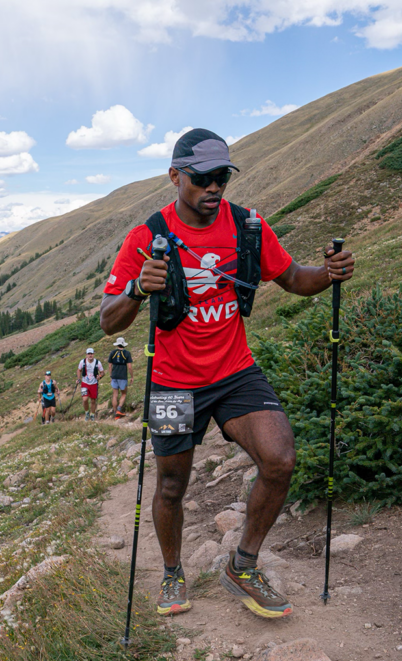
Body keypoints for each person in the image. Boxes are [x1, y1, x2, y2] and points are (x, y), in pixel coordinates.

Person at [99, 128, 355, 619]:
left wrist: (331, 273)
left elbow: (296, 279)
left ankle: (243, 565)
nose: (215, 187)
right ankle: (173, 573)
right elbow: (109, 319)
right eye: (203, 178)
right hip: (173, 383)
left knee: (279, 459)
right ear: (176, 177)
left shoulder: (247, 227)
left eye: (223, 177)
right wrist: (136, 287)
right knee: (172, 486)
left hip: (235, 373)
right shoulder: (146, 237)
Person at [107, 338, 133, 419]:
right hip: (123, 376)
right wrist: (132, 376)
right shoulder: (127, 353)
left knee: (115, 395)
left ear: (117, 344)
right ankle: (119, 409)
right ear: (124, 345)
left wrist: (111, 375)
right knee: (124, 393)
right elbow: (129, 367)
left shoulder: (112, 353)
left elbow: (110, 365)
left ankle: (115, 413)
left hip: (114, 376)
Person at [77, 348, 104, 420]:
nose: (90, 355)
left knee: (93, 400)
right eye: (89, 354)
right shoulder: (82, 362)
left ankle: (92, 414)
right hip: (84, 383)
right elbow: (79, 370)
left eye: (91, 354)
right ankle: (86, 413)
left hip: (94, 383)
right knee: (85, 399)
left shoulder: (98, 362)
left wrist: (100, 376)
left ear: (93, 354)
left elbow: (102, 372)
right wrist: (78, 379)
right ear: (86, 355)